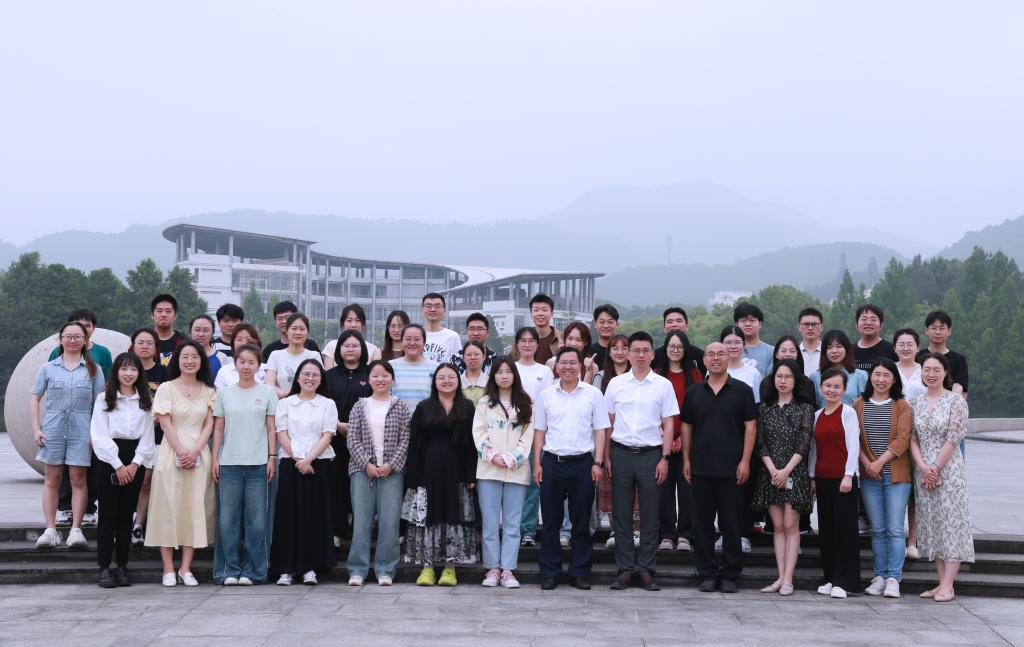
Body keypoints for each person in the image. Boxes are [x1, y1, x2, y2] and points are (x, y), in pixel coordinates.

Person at [604, 332, 677, 591]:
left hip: (651, 455)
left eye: (646, 350)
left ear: (653, 354)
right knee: (621, 514)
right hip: (621, 453)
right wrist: (606, 457)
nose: (640, 355)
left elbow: (669, 424)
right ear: (628, 354)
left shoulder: (663, 385)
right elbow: (608, 422)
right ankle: (625, 569)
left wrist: (665, 458)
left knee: (650, 514)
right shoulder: (616, 384)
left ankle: (646, 569)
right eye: (636, 350)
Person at [681, 342, 757, 594]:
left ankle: (730, 574)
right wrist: (686, 459)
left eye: (721, 354)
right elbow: (686, 427)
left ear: (728, 358)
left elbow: (750, 427)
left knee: (731, 524)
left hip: (732, 469)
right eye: (711, 354)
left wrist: (745, 461)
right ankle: (706, 573)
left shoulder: (742, 391)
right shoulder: (694, 392)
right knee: (702, 524)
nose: (716, 358)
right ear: (704, 360)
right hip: (701, 467)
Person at [533, 346, 610, 591]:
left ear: (580, 366)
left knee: (581, 520)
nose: (567, 367)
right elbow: (539, 431)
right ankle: (550, 572)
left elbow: (600, 430)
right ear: (556, 366)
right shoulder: (546, 395)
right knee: (551, 521)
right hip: (552, 462)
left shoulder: (593, 394)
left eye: (572, 362)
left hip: (583, 464)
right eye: (563, 362)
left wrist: (598, 462)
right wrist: (537, 463)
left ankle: (580, 571)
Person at [145, 341, 216, 587]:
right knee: (168, 507)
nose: (190, 361)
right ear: (177, 360)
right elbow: (165, 424)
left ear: (201, 361)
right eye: (185, 356)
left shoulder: (209, 390)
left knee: (192, 509)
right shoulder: (166, 388)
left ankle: (186, 568)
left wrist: (194, 452)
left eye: (195, 357)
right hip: (170, 453)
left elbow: (209, 424)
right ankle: (168, 568)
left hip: (199, 455)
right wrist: (182, 452)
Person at [31, 321, 106, 550]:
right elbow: (35, 397)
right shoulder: (48, 368)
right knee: (51, 479)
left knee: (78, 480)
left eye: (77, 336)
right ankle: (50, 530)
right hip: (52, 429)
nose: (72, 340)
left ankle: (76, 530)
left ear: (85, 340)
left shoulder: (94, 369)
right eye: (68, 336)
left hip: (81, 430)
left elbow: (101, 403)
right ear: (60, 339)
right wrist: (36, 428)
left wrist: (97, 433)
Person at [403, 364, 478, 586]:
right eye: (441, 377)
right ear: (434, 382)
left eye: (451, 377)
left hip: (457, 471)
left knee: (454, 516)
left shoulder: (467, 407)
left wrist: (471, 475)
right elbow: (413, 445)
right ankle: (427, 568)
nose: (446, 381)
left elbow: (472, 445)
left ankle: (449, 568)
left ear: (458, 380)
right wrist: (413, 478)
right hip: (428, 470)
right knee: (428, 518)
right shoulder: (423, 408)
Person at [210, 344, 277, 585]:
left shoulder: (267, 392)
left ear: (258, 366)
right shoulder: (225, 394)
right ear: (235, 364)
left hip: (259, 464)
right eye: (242, 362)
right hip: (229, 464)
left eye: (251, 362)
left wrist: (272, 457)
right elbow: (218, 428)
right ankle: (227, 570)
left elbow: (271, 428)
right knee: (227, 520)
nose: (246, 366)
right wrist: (215, 459)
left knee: (257, 521)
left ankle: (253, 571)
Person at [910, 353, 973, 602]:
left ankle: (949, 585)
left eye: (936, 369)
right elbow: (913, 439)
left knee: (951, 524)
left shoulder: (955, 401)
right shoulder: (915, 402)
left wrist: (935, 467)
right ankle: (941, 582)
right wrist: (923, 467)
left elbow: (953, 437)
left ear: (945, 372)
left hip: (948, 470)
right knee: (933, 524)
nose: (931, 374)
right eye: (927, 369)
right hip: (923, 470)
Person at [90, 352, 155, 587]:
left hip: (135, 459)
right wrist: (118, 465)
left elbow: (148, 437)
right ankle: (104, 567)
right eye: (124, 369)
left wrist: (135, 464)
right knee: (108, 515)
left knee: (127, 515)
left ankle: (122, 565)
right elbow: (99, 435)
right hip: (108, 459)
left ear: (139, 373)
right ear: (116, 372)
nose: (128, 373)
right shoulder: (104, 399)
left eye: (133, 369)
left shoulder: (145, 400)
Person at [271, 359, 338, 585]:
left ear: (321, 380)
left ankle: (310, 568)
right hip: (290, 463)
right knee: (288, 516)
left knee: (314, 516)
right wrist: (299, 459)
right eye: (306, 374)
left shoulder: (328, 404)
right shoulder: (285, 404)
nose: (310, 378)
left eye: (315, 375)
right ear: (298, 378)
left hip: (319, 464)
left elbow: (327, 434)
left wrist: (309, 459)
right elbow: (282, 433)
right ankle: (286, 569)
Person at [346, 360, 412, 586]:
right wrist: (366, 464)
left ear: (392, 379)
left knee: (390, 523)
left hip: (392, 472)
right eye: (375, 375)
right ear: (368, 379)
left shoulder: (400, 406)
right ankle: (357, 570)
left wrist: (391, 465)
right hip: (362, 471)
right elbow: (352, 438)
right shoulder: (360, 406)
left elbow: (405, 439)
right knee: (361, 522)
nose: (380, 379)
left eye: (385, 375)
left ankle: (385, 570)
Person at [752, 359, 814, 596]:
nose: (783, 381)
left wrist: (786, 470)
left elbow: (804, 444)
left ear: (796, 380)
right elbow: (760, 443)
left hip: (794, 472)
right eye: (779, 376)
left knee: (791, 526)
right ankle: (780, 577)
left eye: (788, 377)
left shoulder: (804, 408)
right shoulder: (764, 409)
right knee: (777, 526)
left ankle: (789, 579)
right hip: (770, 473)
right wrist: (772, 469)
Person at [472, 356, 534, 589]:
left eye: (508, 371)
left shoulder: (526, 402)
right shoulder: (484, 403)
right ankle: (492, 568)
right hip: (488, 470)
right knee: (489, 522)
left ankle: (508, 569)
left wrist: (511, 458)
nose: (504, 376)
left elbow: (528, 437)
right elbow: (478, 432)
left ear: (514, 375)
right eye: (499, 372)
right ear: (493, 376)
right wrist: (493, 455)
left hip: (516, 471)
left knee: (512, 522)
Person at [48, 309, 112, 529]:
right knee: (63, 464)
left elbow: (107, 385)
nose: (82, 328)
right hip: (62, 418)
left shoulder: (102, 353)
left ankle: (88, 509)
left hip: (91, 417)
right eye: (77, 324)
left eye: (87, 325)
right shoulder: (57, 352)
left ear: (92, 329)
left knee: (89, 465)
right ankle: (65, 507)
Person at [857, 358, 912, 599]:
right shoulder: (859, 404)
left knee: (895, 529)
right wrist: (867, 463)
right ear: (871, 377)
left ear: (894, 379)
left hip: (896, 477)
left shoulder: (901, 405)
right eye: (877, 374)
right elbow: (855, 438)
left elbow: (902, 439)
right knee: (878, 529)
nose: (880, 379)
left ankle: (893, 578)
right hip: (869, 477)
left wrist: (879, 462)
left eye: (886, 375)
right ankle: (879, 576)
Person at [810, 367, 862, 599]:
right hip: (822, 479)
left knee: (845, 531)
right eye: (828, 386)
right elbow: (814, 450)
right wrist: (812, 476)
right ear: (821, 387)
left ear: (844, 389)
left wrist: (849, 474)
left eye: (837, 386)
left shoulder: (848, 413)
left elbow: (854, 445)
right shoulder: (817, 415)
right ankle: (830, 577)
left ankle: (845, 581)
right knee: (827, 530)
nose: (832, 390)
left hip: (843, 480)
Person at [656, 331, 703, 553]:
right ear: (665, 348)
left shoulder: (695, 375)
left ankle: (685, 534)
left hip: (688, 444)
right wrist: (666, 437)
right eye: (671, 346)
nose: (675, 350)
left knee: (687, 490)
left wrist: (683, 440)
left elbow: (698, 410)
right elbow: (652, 410)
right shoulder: (657, 375)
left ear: (685, 350)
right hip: (660, 442)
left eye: (679, 346)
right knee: (663, 490)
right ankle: (667, 534)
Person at [325, 330, 372, 547]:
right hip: (334, 440)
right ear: (339, 349)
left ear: (362, 349)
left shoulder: (370, 374)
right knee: (336, 487)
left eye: (355, 345)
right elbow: (323, 405)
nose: (350, 349)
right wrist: (337, 424)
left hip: (364, 442)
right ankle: (337, 533)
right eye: (346, 346)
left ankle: (360, 536)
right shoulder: (329, 375)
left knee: (361, 489)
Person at [513, 327, 553, 548]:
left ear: (538, 345)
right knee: (513, 484)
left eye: (531, 341)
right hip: (512, 433)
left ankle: (527, 530)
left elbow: (547, 403)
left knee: (532, 484)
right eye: (523, 340)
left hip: (536, 433)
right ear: (517, 344)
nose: (527, 345)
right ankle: (513, 528)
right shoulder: (511, 368)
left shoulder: (544, 371)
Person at [129, 327, 169, 545]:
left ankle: (138, 525)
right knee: (129, 480)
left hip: (156, 435)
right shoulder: (127, 370)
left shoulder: (165, 373)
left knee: (146, 481)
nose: (144, 346)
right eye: (140, 342)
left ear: (156, 347)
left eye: (149, 343)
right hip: (129, 436)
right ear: (133, 346)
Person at [591, 333, 629, 547]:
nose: (620, 352)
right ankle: (615, 528)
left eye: (624, 348)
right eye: (615, 348)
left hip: (630, 438)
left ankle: (634, 529)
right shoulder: (601, 377)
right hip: (605, 437)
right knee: (611, 485)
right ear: (610, 352)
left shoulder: (637, 375)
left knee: (631, 490)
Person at [265, 313, 323, 399]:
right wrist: (286, 394)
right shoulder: (275, 355)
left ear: (308, 333)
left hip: (309, 403)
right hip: (282, 403)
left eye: (302, 329)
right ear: (287, 331)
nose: (298, 332)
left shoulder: (314, 355)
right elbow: (269, 386)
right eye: (294, 328)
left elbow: (320, 383)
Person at [810, 330, 869, 407]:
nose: (834, 351)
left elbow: (865, 406)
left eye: (839, 346)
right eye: (829, 347)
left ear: (846, 349)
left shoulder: (860, 376)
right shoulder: (815, 377)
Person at [917, 311, 969, 397]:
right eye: (933, 328)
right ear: (926, 330)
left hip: (949, 403)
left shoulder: (959, 359)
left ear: (949, 331)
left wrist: (952, 401)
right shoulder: (917, 356)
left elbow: (959, 386)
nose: (937, 332)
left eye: (942, 328)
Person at [388, 324, 439, 410]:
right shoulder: (390, 366)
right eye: (408, 339)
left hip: (427, 417)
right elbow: (385, 396)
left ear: (424, 343)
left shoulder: (435, 367)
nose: (412, 343)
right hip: (397, 417)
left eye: (417, 339)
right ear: (401, 342)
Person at [323, 303, 380, 369]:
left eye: (358, 320)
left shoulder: (373, 349)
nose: (353, 325)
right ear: (342, 323)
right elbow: (328, 373)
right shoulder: (332, 346)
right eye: (349, 320)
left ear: (363, 324)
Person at [213, 324, 267, 389]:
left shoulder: (267, 370)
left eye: (248, 340)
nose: (244, 343)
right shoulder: (224, 371)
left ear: (257, 342)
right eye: (239, 339)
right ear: (233, 343)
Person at [653, 307, 704, 373]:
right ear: (664, 328)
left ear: (687, 326)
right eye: (670, 322)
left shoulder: (700, 356)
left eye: (679, 321)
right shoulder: (653, 357)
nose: (674, 324)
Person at [721, 325, 761, 403]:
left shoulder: (753, 373)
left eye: (737, 342)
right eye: (728, 342)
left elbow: (757, 402)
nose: (733, 346)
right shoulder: (713, 371)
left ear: (744, 345)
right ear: (721, 345)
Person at [853, 304, 898, 372]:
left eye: (873, 319)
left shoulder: (892, 350)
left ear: (881, 325)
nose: (868, 323)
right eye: (864, 319)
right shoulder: (849, 351)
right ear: (856, 325)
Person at [733, 303, 774, 378]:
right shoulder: (729, 350)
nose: (748, 324)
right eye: (743, 320)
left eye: (752, 320)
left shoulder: (771, 352)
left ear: (760, 324)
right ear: (736, 324)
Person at [421, 293, 461, 364]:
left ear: (444, 311)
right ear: (422, 310)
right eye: (428, 306)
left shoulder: (452, 337)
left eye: (437, 306)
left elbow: (458, 364)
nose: (433, 309)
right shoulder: (415, 335)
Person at [189, 314, 230, 382]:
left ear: (212, 333)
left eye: (206, 330)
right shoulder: (181, 356)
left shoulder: (221, 357)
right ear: (190, 331)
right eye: (197, 330)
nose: (201, 334)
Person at [150, 294, 185, 366]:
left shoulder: (184, 342)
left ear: (175, 316)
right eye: (159, 311)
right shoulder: (143, 342)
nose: (164, 314)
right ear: (152, 315)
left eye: (168, 311)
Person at [528, 293, 562, 365]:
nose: (540, 313)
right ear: (531, 314)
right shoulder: (523, 339)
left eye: (545, 310)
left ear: (552, 313)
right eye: (536, 310)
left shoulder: (561, 338)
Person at [893, 329, 926, 400]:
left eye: (910, 345)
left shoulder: (925, 370)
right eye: (901, 345)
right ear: (895, 348)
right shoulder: (889, 369)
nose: (906, 348)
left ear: (918, 348)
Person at [458, 340, 489, 406]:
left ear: (484, 356)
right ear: (463, 358)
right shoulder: (457, 382)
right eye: (468, 355)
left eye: (476, 354)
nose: (472, 357)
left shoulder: (490, 381)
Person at [589, 304, 620, 369]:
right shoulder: (589, 353)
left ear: (617, 324)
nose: (606, 326)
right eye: (602, 322)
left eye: (610, 322)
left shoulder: (624, 352)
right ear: (595, 324)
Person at [797, 308, 825, 378]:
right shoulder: (793, 353)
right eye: (806, 324)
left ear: (821, 327)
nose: (810, 328)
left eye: (814, 324)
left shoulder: (828, 352)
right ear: (799, 327)